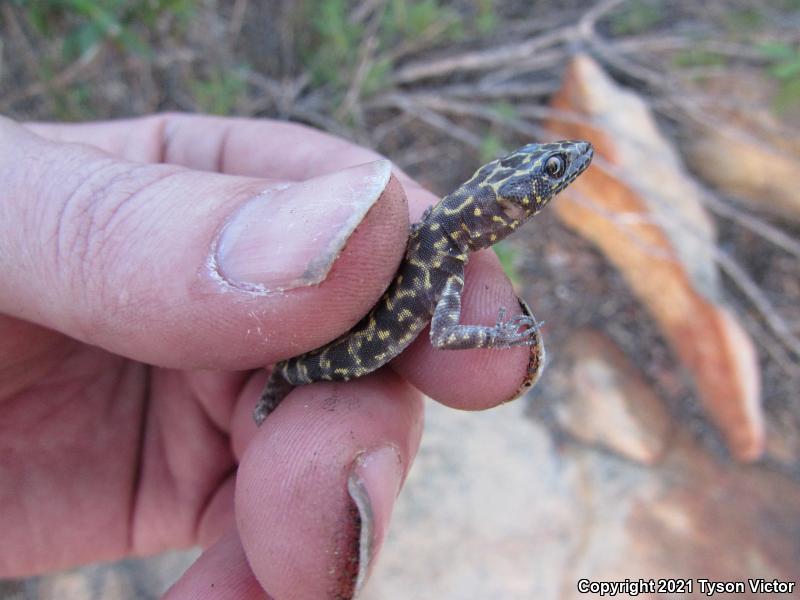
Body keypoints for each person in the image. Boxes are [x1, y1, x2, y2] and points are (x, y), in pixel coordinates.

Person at [0, 114, 537, 599]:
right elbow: (444, 336)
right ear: (505, 208)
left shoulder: (439, 237)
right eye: (548, 174)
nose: (559, 174)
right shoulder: (441, 253)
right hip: (324, 364)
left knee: (305, 436)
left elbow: (434, 325)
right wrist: (502, 332)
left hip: (313, 362)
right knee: (304, 431)